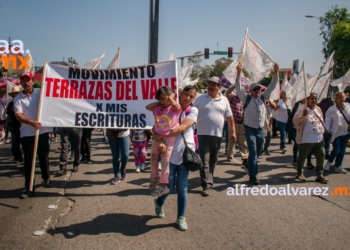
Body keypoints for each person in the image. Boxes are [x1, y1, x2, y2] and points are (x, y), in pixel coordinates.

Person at [153, 85, 198, 231]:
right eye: (186, 94)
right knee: (168, 187)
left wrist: (161, 134)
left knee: (182, 188)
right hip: (169, 155)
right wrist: (158, 139)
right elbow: (155, 128)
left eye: (192, 96)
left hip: (185, 154)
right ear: (180, 93)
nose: (188, 98)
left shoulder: (193, 110)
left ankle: (181, 217)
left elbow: (181, 128)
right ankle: (159, 203)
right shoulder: (168, 107)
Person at [235, 62, 279, 185]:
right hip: (249, 129)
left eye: (259, 89)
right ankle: (253, 176)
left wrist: (275, 73)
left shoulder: (263, 98)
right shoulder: (246, 99)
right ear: (250, 91)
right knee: (253, 151)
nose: (258, 91)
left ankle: (249, 164)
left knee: (259, 151)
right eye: (255, 89)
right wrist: (238, 73)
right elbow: (238, 88)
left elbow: (271, 86)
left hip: (260, 129)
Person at [193, 76, 236, 196]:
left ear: (219, 87)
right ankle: (207, 184)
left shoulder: (224, 100)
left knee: (213, 160)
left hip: (217, 135)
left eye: (213, 84)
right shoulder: (200, 99)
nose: (210, 86)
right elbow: (190, 112)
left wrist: (233, 132)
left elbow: (229, 117)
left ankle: (208, 177)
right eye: (209, 84)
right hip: (202, 134)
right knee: (204, 160)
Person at [14, 72, 52, 198]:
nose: (26, 83)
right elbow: (18, 115)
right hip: (27, 133)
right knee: (29, 161)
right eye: (23, 80)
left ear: (33, 81)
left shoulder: (40, 93)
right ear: (21, 83)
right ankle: (29, 187)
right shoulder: (18, 98)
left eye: (28, 80)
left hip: (42, 131)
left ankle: (46, 177)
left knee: (43, 157)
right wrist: (30, 122)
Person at [146, 86, 182, 197]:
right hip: (157, 136)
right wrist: (159, 102)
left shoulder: (174, 108)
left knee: (165, 161)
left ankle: (163, 184)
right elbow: (148, 107)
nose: (162, 101)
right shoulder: (158, 108)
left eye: (164, 99)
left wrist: (171, 98)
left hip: (169, 137)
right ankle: (154, 177)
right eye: (160, 99)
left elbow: (177, 105)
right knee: (153, 157)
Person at [292, 92, 329, 183]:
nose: (314, 100)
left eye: (315, 98)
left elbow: (322, 121)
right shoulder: (302, 109)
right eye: (312, 98)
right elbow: (295, 121)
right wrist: (303, 115)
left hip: (318, 138)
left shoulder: (318, 109)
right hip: (306, 139)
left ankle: (319, 175)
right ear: (307, 100)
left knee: (321, 155)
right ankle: (300, 173)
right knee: (302, 156)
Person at [324, 92, 350, 173]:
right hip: (336, 133)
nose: (342, 99)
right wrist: (327, 130)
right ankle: (329, 162)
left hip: (346, 132)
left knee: (342, 151)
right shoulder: (331, 110)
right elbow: (327, 121)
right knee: (337, 150)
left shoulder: (348, 106)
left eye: (343, 97)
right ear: (336, 99)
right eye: (340, 97)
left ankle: (338, 166)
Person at [225, 85, 248, 164]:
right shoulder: (233, 97)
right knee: (232, 140)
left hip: (241, 123)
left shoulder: (243, 100)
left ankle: (244, 156)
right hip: (233, 123)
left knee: (242, 140)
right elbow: (227, 93)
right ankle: (230, 155)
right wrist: (235, 85)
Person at [6, 86, 23, 163]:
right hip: (14, 126)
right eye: (14, 94)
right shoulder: (10, 104)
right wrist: (6, 127)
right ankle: (18, 158)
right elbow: (8, 116)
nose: (15, 95)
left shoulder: (23, 102)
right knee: (15, 145)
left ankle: (27, 160)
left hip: (23, 126)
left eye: (16, 93)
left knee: (26, 144)